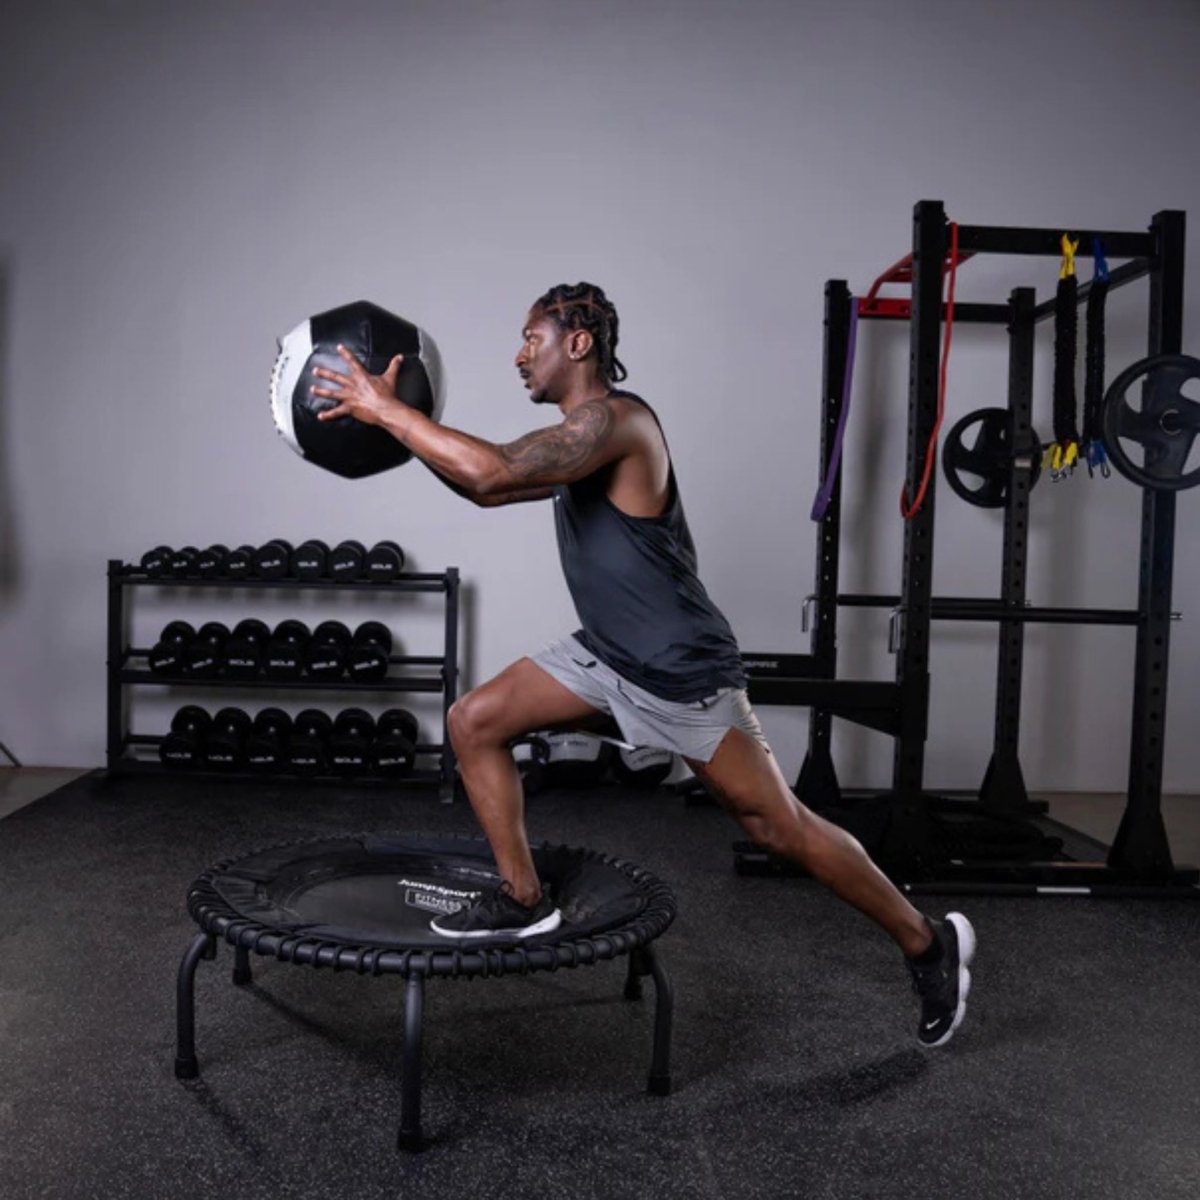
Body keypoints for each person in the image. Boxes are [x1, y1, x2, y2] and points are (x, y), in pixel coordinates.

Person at [311, 282, 976, 1047]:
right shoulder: (577, 440)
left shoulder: (618, 423)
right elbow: (487, 491)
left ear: (578, 342)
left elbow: (493, 470)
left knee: (777, 827)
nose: (519, 356)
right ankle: (523, 899)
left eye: (532, 339)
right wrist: (395, 428)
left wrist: (390, 412)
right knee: (475, 721)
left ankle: (927, 941)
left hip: (681, 673)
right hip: (605, 655)